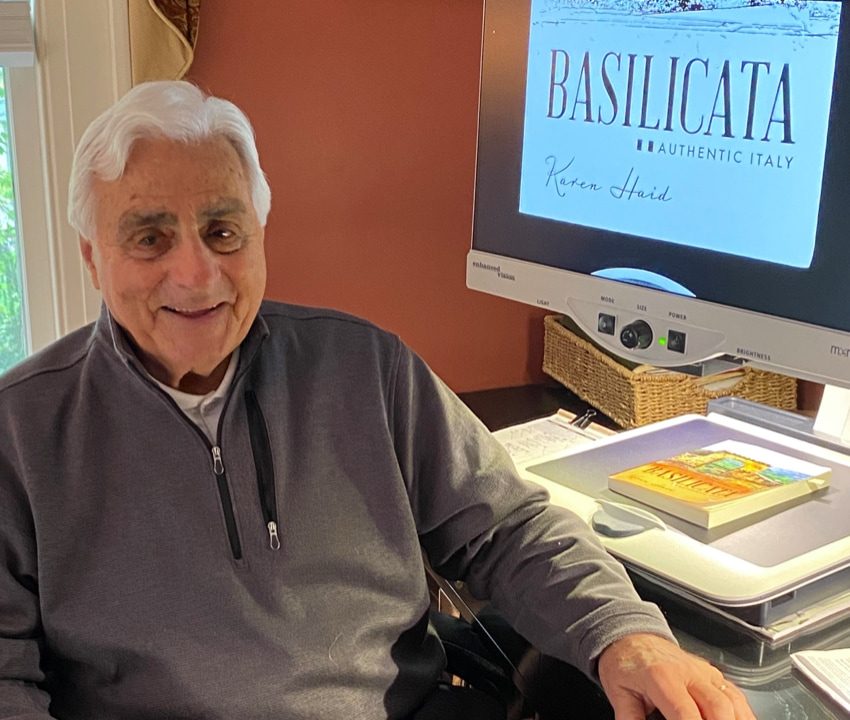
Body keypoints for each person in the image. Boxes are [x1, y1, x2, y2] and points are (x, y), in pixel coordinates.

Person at [0, 80, 755, 720]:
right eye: (150, 239)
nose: (197, 274)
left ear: (261, 234)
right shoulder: (20, 432)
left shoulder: (366, 367)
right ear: (92, 256)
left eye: (223, 231)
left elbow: (509, 530)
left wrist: (625, 634)